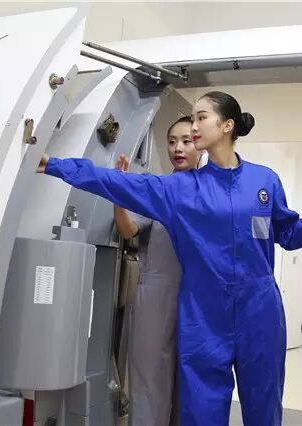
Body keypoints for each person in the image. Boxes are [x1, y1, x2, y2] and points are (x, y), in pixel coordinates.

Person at [37, 91, 302, 426]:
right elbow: (111, 181)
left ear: (228, 125)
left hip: (260, 310)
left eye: (202, 117)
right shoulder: (179, 189)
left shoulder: (264, 181)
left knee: (265, 402)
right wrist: (52, 164)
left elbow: (288, 233)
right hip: (204, 314)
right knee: (201, 410)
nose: (195, 125)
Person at [114, 116, 199, 426]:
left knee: (191, 382)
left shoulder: (213, 191)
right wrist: (119, 193)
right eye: (172, 141)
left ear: (201, 145)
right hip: (156, 292)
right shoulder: (157, 188)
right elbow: (128, 230)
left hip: (199, 296)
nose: (178, 148)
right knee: (149, 379)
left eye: (186, 141)